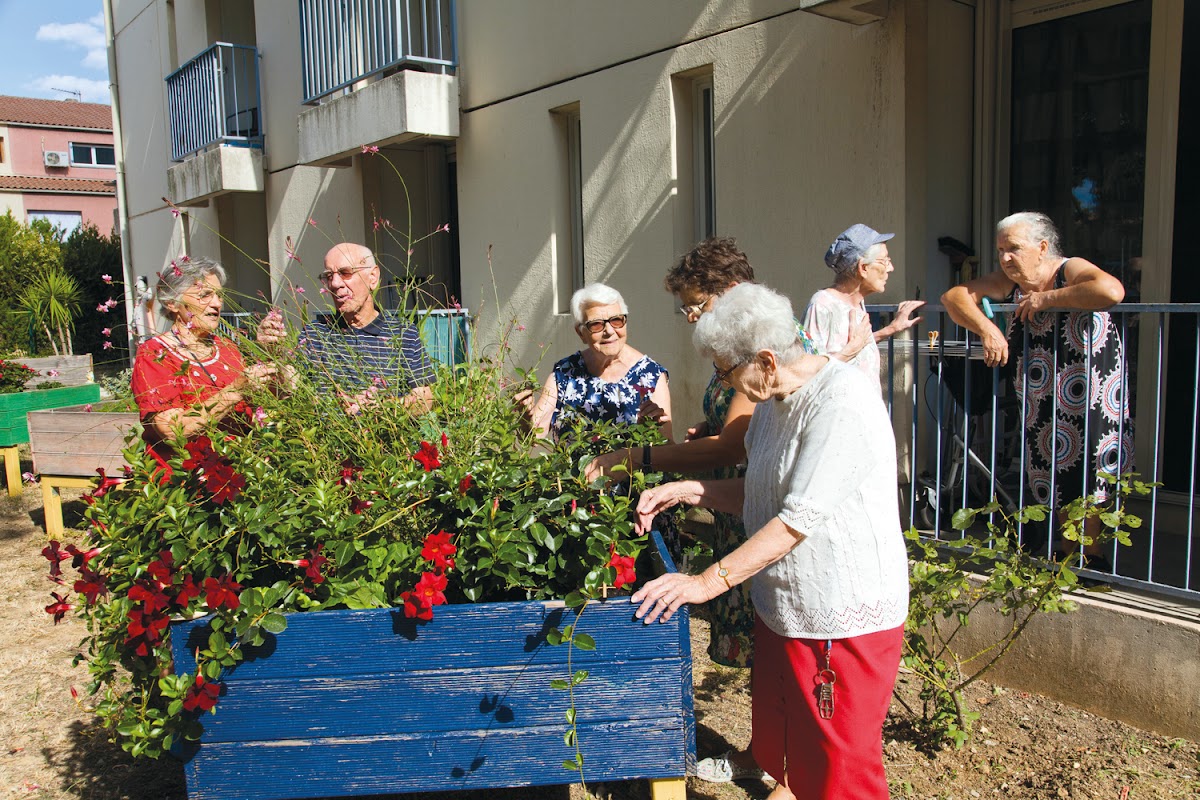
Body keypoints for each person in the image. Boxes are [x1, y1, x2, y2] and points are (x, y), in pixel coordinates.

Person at [629, 283, 908, 800]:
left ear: (764, 360)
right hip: (786, 610)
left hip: (839, 616)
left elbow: (794, 521)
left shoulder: (840, 403)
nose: (722, 382)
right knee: (801, 761)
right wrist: (694, 490)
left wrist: (704, 584)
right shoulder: (773, 403)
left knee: (841, 771)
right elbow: (762, 492)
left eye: (724, 371)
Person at [941, 211, 1129, 562]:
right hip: (1042, 396)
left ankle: (1091, 561)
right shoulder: (1011, 283)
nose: (1005, 258)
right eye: (1000, 250)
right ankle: (1065, 558)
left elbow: (1110, 290)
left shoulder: (1069, 270)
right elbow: (954, 298)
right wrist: (988, 329)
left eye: (1013, 248)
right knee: (1050, 474)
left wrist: (1046, 300)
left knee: (1090, 473)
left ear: (1042, 248)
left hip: (1090, 391)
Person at [258, 242, 436, 411]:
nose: (335, 284)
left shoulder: (403, 333)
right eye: (329, 276)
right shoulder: (315, 335)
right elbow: (288, 392)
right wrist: (271, 353)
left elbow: (425, 399)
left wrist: (383, 408)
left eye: (345, 273)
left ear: (372, 278)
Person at [131, 257, 279, 447]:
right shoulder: (155, 354)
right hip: (187, 473)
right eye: (205, 295)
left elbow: (266, 402)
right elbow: (173, 431)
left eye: (219, 295)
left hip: (241, 469)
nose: (217, 304)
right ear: (172, 303)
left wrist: (268, 350)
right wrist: (236, 390)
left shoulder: (227, 348)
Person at [524, 283, 673, 441]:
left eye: (616, 320)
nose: (609, 331)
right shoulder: (566, 372)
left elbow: (668, 446)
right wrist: (524, 417)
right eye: (596, 324)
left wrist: (652, 431)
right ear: (581, 333)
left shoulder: (650, 375)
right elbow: (533, 434)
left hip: (627, 466)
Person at [803, 223, 924, 388]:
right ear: (863, 268)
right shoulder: (823, 305)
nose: (891, 268)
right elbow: (809, 372)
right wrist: (852, 349)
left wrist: (892, 329)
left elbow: (856, 348)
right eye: (884, 261)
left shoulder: (857, 303)